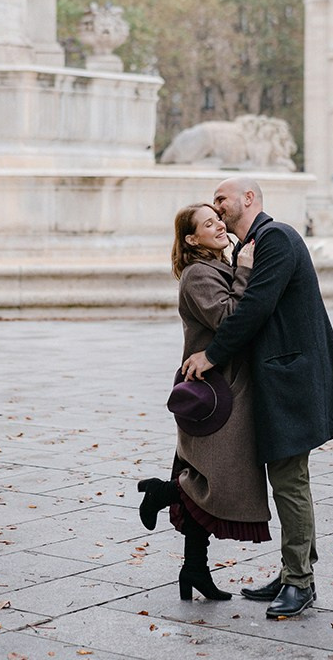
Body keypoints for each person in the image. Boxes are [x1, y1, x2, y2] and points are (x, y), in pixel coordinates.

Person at [182, 177, 333, 619]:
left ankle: (300, 583)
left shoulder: (275, 237)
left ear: (248, 199)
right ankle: (292, 572)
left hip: (290, 381)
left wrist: (211, 355)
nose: (217, 205)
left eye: (222, 198)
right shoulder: (257, 243)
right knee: (286, 479)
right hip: (277, 381)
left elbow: (254, 308)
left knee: (289, 480)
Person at [137, 202, 271, 602]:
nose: (218, 226)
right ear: (192, 239)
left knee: (202, 471)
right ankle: (164, 493)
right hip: (214, 394)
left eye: (218, 220)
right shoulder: (198, 274)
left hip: (222, 389)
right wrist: (246, 270)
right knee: (216, 480)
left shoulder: (218, 266)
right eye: (207, 223)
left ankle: (194, 569)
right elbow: (231, 318)